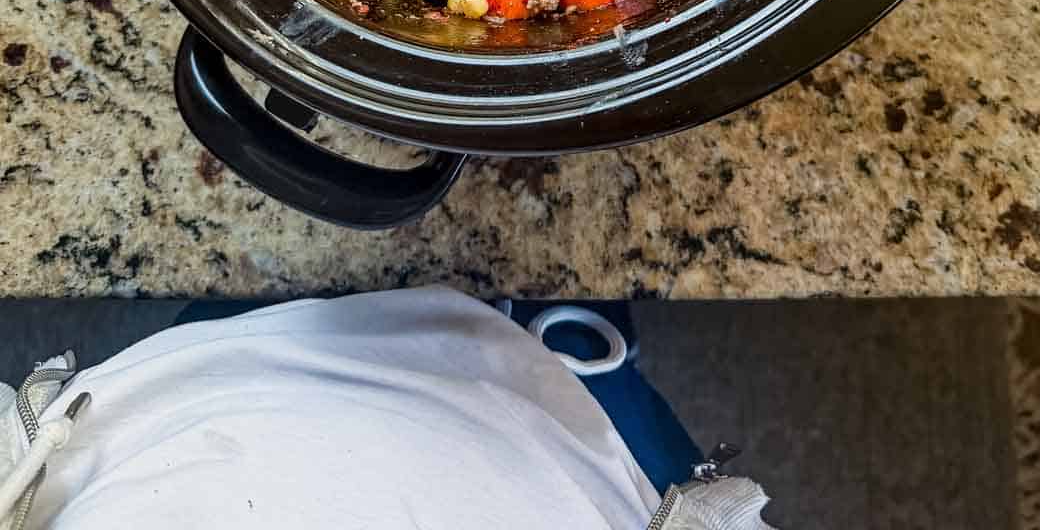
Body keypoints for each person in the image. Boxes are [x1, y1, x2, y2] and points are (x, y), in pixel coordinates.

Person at [0, 289, 776, 528]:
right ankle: (559, 343)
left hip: (193, 402)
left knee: (232, 309)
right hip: (595, 482)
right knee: (613, 397)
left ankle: (242, 313)